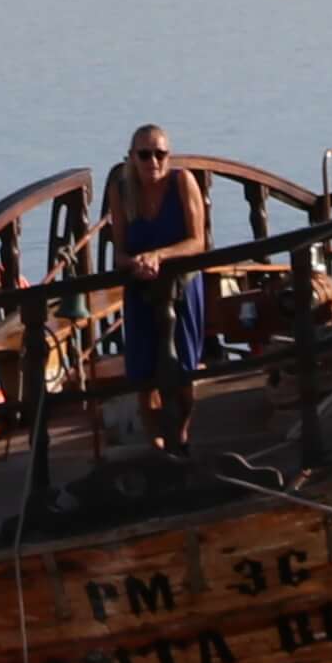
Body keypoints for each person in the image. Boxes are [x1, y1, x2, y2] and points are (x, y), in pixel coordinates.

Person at [101, 122, 215, 450]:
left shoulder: (182, 182)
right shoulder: (122, 190)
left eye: (160, 154)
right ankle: (156, 441)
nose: (153, 161)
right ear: (132, 157)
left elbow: (197, 241)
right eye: (145, 154)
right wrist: (136, 263)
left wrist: (159, 256)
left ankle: (182, 434)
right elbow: (119, 252)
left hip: (182, 285)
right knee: (142, 370)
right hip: (141, 287)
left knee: (185, 366)